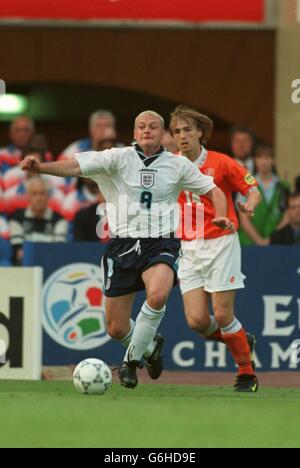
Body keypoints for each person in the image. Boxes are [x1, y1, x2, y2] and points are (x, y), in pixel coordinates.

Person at [21, 110, 232, 389]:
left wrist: (221, 214)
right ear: (134, 133)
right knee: (116, 327)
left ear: (163, 134)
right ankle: (149, 346)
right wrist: (40, 168)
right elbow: (74, 166)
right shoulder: (116, 158)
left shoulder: (177, 165)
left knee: (157, 296)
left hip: (161, 242)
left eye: (154, 127)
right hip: (121, 245)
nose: (147, 130)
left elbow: (214, 190)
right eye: (141, 127)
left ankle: (130, 363)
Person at [170, 105, 261, 393]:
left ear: (200, 132)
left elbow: (252, 189)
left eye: (186, 130)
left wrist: (249, 205)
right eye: (176, 131)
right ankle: (242, 340)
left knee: (222, 315)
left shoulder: (223, 163)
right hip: (188, 245)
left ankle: (246, 373)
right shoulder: (170, 164)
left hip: (221, 241)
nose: (182, 136)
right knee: (197, 321)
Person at [238, 145, 290, 246]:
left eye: (267, 158)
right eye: (260, 157)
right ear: (255, 161)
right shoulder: (245, 185)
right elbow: (243, 219)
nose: (263, 162)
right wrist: (260, 241)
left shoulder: (283, 187)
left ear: (273, 160)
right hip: (247, 244)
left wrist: (272, 238)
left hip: (275, 244)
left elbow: (287, 216)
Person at [9, 177, 68, 265]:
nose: (39, 198)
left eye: (42, 193)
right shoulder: (17, 217)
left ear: (48, 196)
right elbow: (18, 251)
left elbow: (58, 250)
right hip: (25, 266)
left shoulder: (59, 220)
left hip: (50, 265)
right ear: (28, 196)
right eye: (34, 193)